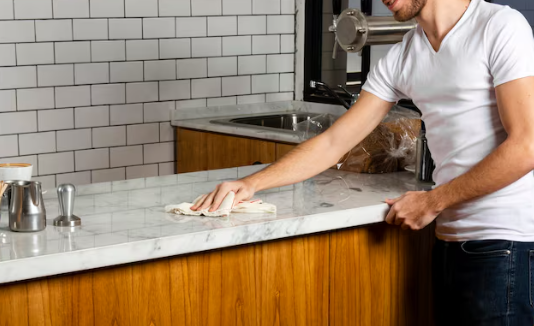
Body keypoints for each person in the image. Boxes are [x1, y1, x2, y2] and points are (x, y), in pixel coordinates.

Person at [192, 0, 534, 324]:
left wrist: (433, 200)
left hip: (507, 242)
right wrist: (252, 183)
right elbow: (333, 142)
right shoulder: (403, 56)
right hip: (449, 241)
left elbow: (526, 146)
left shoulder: (498, 26)